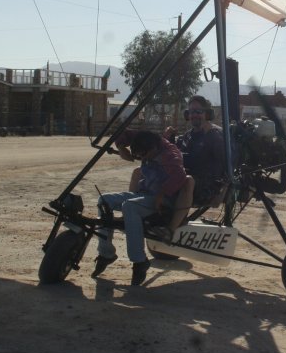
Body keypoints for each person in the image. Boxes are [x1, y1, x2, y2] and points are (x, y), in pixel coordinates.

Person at [92, 130, 189, 286]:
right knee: (104, 200)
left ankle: (139, 261)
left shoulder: (169, 154)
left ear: (154, 149)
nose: (142, 159)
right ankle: (106, 253)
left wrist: (162, 193)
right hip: (144, 194)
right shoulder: (145, 138)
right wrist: (122, 147)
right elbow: (124, 133)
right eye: (139, 156)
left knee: (129, 207)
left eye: (144, 156)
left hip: (161, 201)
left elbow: (179, 175)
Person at [165, 95, 226, 214]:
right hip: (188, 180)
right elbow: (175, 158)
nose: (194, 115)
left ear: (207, 114)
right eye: (191, 111)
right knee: (143, 172)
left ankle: (172, 227)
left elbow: (224, 162)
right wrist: (169, 140)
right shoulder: (188, 136)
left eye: (198, 111)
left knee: (186, 181)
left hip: (207, 187)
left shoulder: (215, 135)